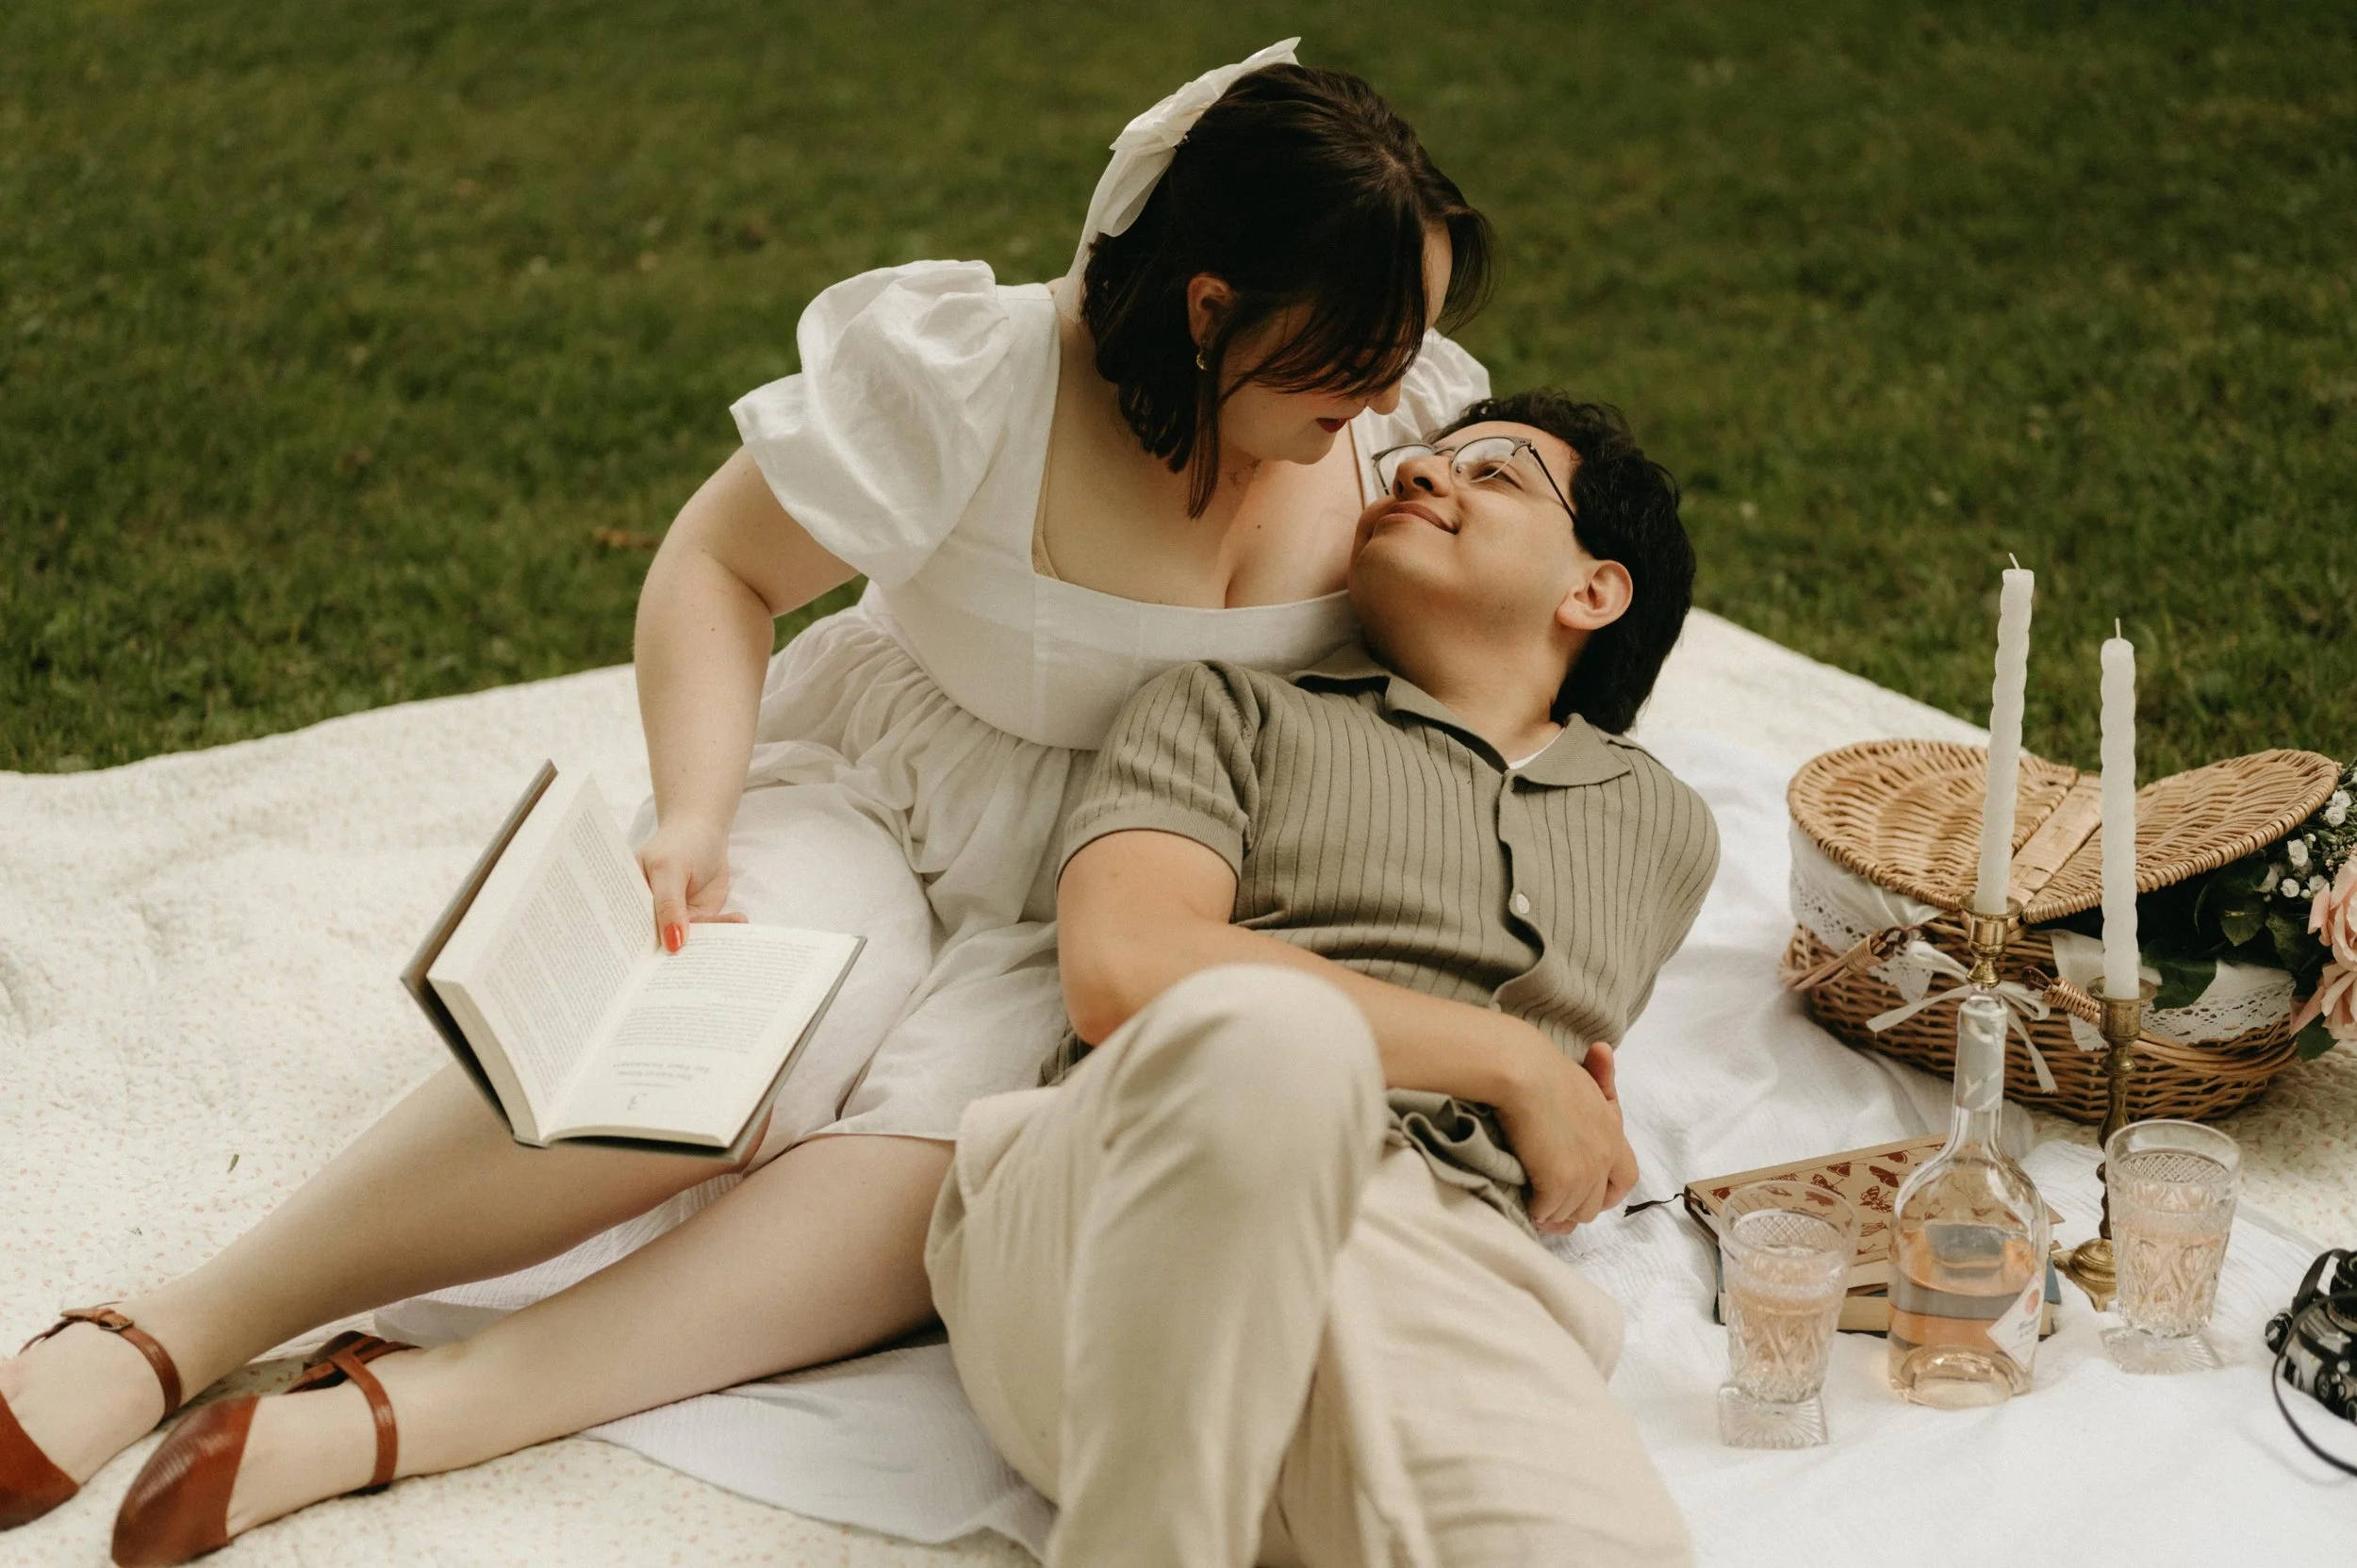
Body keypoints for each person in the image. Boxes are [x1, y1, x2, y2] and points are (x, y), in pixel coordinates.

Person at [0, 41, 1500, 1563]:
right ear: (1208, 308)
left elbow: (1477, 693)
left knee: (933, 1169)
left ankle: (394, 1414)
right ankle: (184, 1321)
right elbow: (718, 566)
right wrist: (695, 808)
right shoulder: (982, 376)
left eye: (1410, 343)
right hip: (892, 778)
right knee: (704, 1021)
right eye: (1357, 352)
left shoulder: (1402, 434)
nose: (1392, 391)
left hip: (1120, 879)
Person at [926, 391, 1718, 1567]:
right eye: (1412, 460)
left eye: (1491, 473)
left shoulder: (1663, 827)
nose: (1416, 477)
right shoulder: (1225, 708)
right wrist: (1508, 1061)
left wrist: (1566, 1108)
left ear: (1594, 591)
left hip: (1440, 1264)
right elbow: (1126, 967)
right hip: (1129, 1199)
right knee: (1276, 1041)